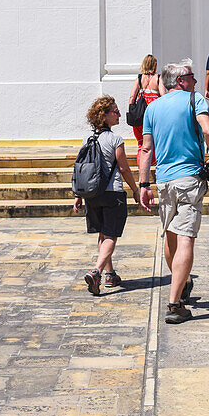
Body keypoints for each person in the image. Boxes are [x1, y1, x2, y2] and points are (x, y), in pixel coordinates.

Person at [138, 58, 209, 325]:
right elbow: (208, 129)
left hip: (163, 181)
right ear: (181, 81)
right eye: (192, 77)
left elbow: (146, 149)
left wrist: (143, 184)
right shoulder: (193, 99)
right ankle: (175, 304)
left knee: (171, 234)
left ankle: (180, 283)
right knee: (186, 237)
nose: (196, 81)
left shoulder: (153, 108)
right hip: (188, 179)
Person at [73, 95, 141, 296]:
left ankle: (110, 274)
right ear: (104, 116)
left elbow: (80, 169)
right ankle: (97, 272)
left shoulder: (87, 139)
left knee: (103, 232)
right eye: (115, 111)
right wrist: (136, 190)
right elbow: (124, 168)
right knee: (111, 234)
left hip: (92, 194)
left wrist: (78, 195)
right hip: (113, 193)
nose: (119, 113)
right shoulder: (115, 139)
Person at [127, 55, 166, 165]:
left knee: (142, 144)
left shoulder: (139, 78)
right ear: (155, 65)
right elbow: (163, 96)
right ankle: (154, 164)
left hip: (140, 115)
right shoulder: (158, 78)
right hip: (155, 114)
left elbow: (132, 97)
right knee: (156, 142)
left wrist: (132, 111)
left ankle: (142, 167)